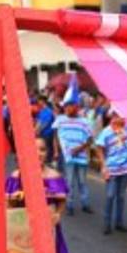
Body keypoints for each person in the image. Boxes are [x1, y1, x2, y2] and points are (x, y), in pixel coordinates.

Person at [5, 137, 79, 253]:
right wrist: (16, 202)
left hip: (48, 230)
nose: (38, 154)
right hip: (23, 233)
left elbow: (61, 201)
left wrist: (58, 214)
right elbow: (9, 205)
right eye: (34, 149)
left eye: (42, 150)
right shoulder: (16, 177)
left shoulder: (54, 176)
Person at [94, 112, 127, 235]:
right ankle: (107, 223)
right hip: (112, 168)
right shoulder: (107, 132)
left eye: (121, 116)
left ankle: (119, 222)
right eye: (117, 116)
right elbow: (99, 147)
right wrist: (103, 165)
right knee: (110, 195)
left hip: (126, 168)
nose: (121, 118)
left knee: (121, 196)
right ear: (113, 117)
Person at [53, 86, 94, 215]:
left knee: (82, 181)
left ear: (77, 107)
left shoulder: (84, 121)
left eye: (71, 106)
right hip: (67, 155)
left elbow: (90, 139)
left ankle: (85, 203)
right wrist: (56, 151)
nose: (68, 108)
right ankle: (69, 205)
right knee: (69, 181)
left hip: (81, 156)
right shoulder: (60, 120)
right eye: (66, 106)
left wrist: (80, 148)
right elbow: (56, 136)